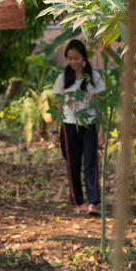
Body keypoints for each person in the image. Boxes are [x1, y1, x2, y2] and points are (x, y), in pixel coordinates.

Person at [52, 39, 106, 215]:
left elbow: (99, 105)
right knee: (72, 164)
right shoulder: (62, 79)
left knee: (91, 162)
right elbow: (58, 107)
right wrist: (54, 130)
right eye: (69, 58)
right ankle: (77, 201)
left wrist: (102, 129)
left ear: (84, 57)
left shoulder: (94, 77)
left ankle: (93, 203)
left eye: (76, 58)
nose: (73, 62)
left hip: (89, 125)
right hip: (69, 126)